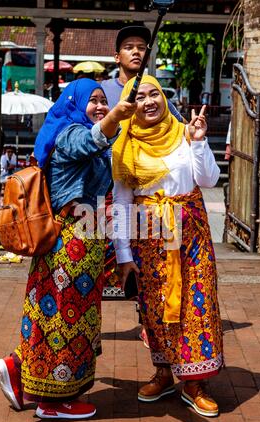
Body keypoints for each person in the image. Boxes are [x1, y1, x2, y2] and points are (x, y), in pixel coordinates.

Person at [0, 78, 137, 420]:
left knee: (50, 313)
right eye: (94, 101)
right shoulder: (70, 133)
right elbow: (91, 138)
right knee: (66, 319)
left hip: (78, 243)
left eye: (104, 100)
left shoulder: (81, 135)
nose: (100, 105)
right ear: (75, 103)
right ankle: (54, 402)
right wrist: (115, 114)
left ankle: (19, 369)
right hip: (71, 245)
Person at [112, 75, 223, 418]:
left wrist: (200, 141)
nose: (148, 102)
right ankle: (163, 372)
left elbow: (208, 180)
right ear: (131, 105)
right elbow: (121, 204)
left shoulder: (183, 134)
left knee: (196, 304)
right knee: (155, 309)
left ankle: (195, 383)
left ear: (163, 98)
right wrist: (124, 255)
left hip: (191, 237)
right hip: (148, 240)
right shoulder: (125, 146)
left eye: (153, 94)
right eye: (140, 96)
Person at [101, 25, 185, 348]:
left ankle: (151, 325)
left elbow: (175, 129)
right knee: (103, 266)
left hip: (148, 197)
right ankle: (88, 323)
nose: (136, 51)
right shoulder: (103, 92)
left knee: (152, 268)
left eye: (141, 47)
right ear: (117, 55)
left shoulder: (154, 92)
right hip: (108, 190)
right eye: (129, 47)